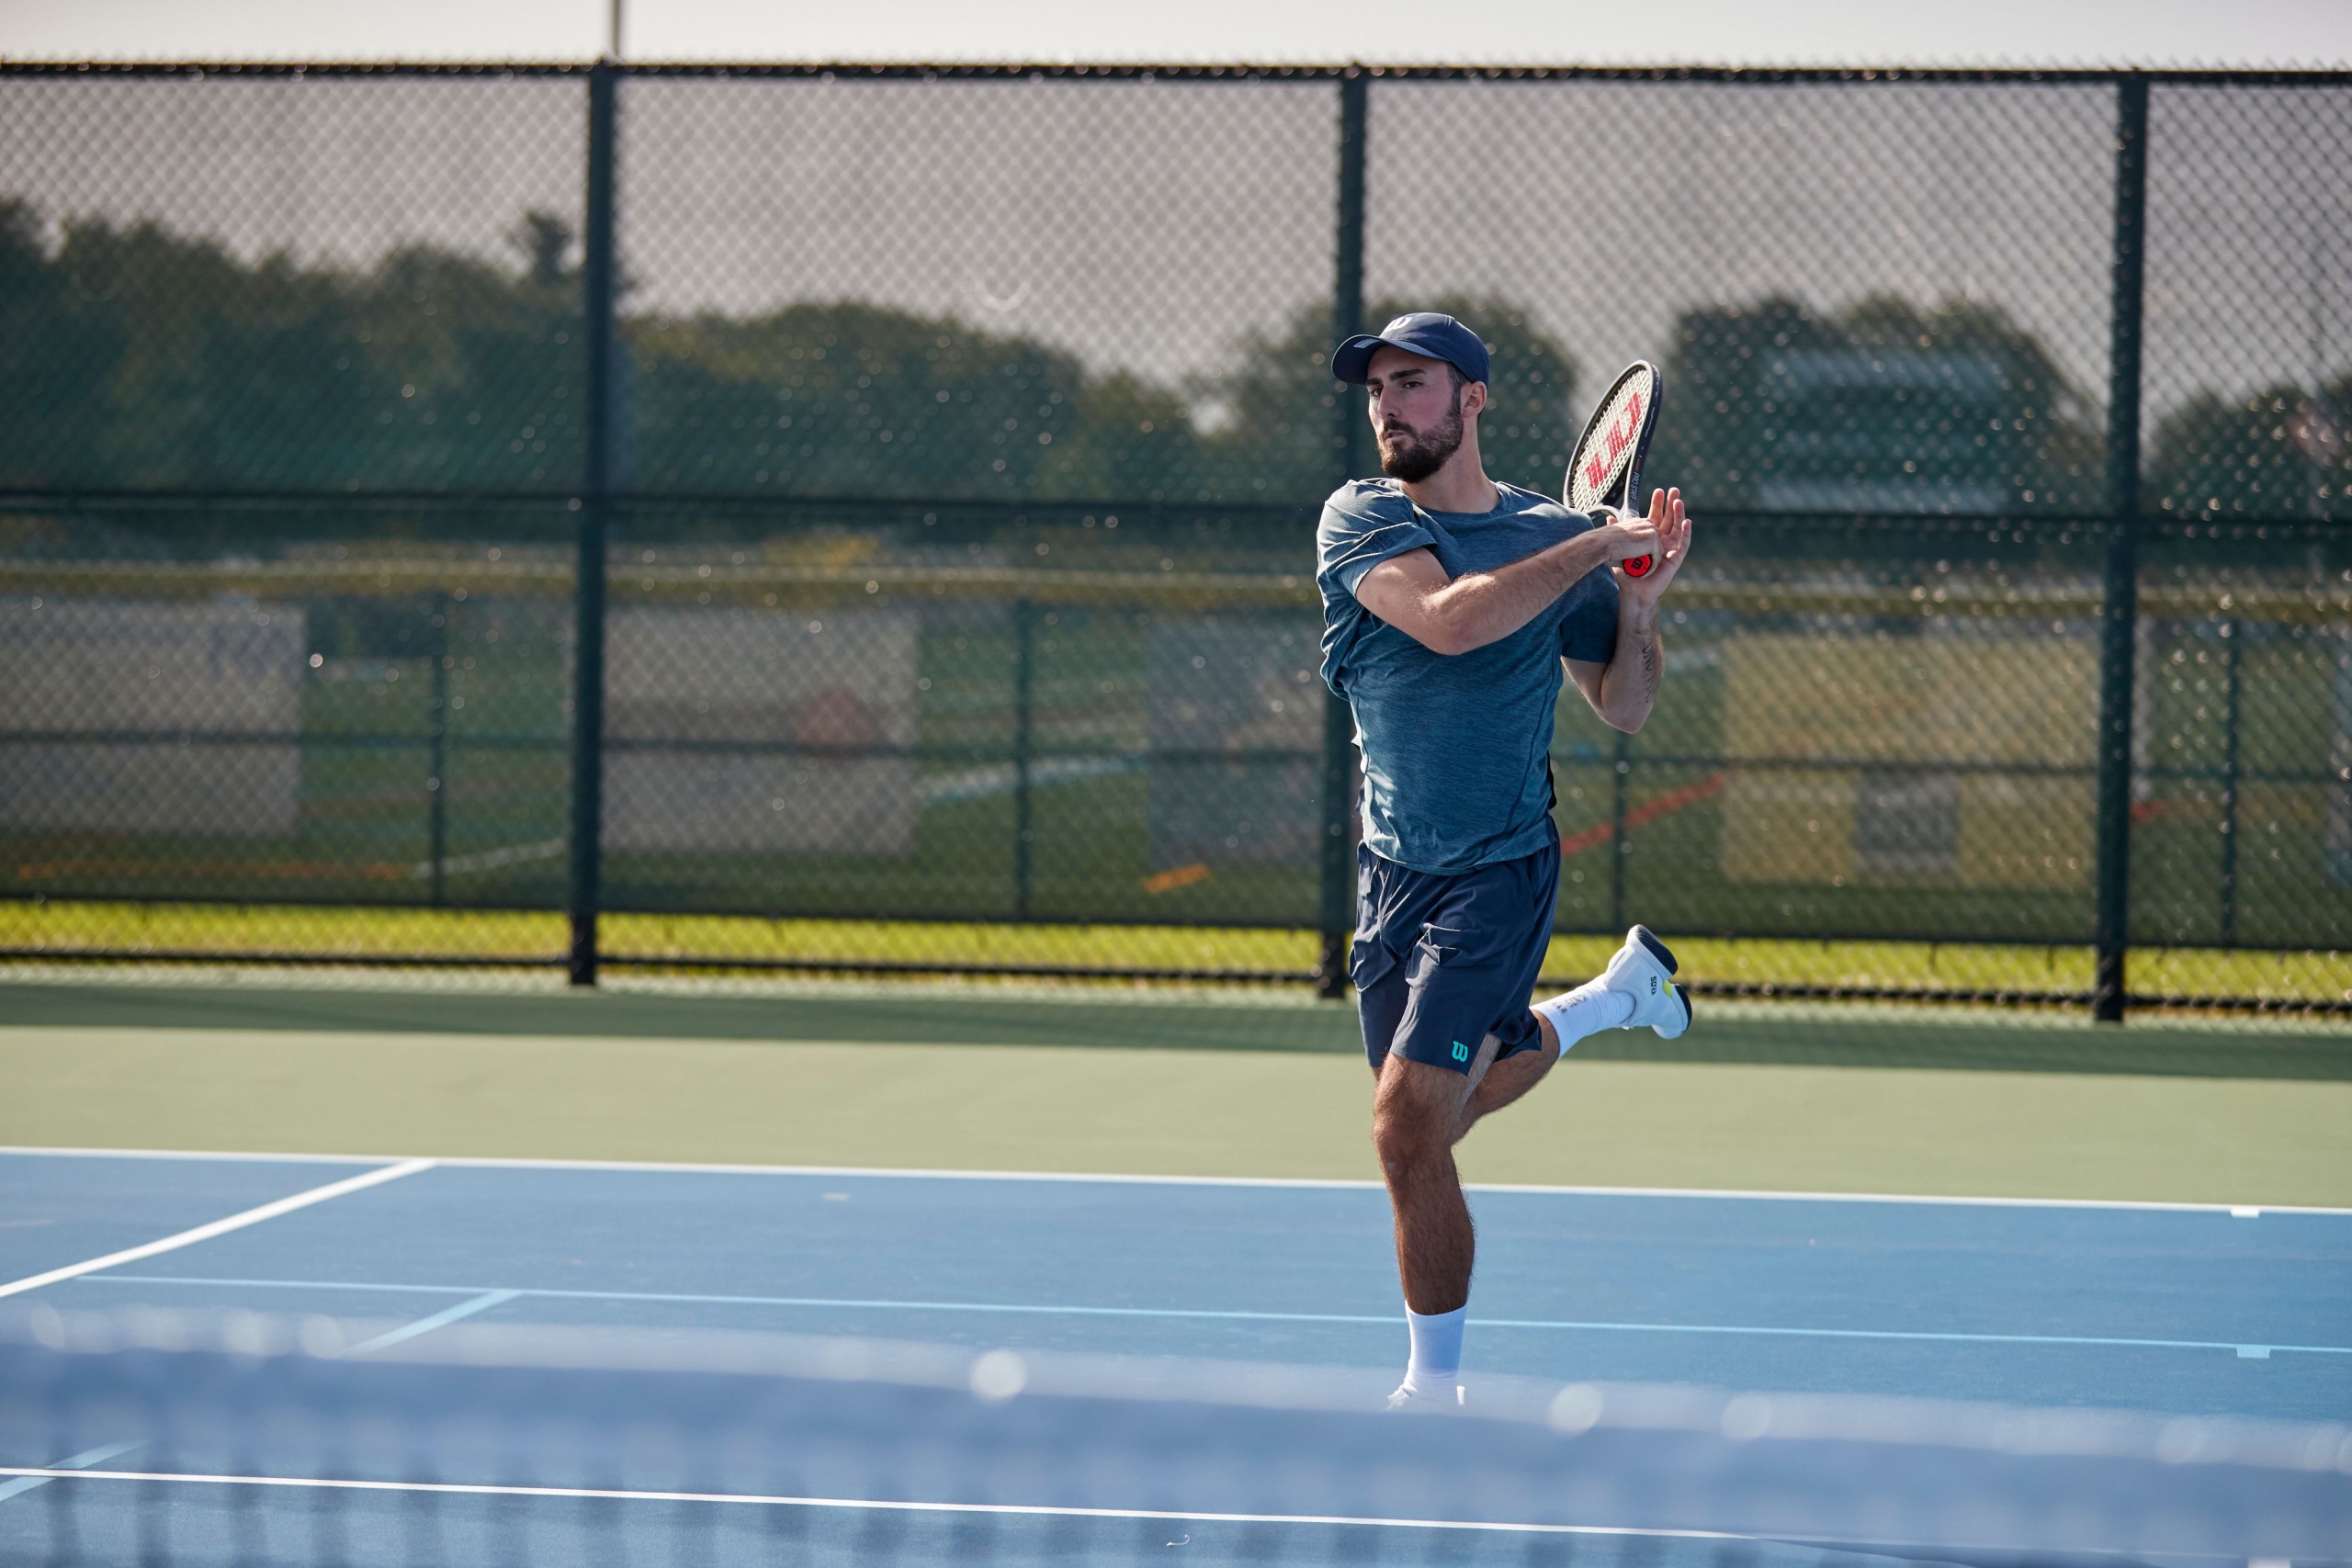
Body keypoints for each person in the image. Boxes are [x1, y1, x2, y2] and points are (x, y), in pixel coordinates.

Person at [1314, 311, 1694, 1409]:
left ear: (1471, 400)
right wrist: (1590, 543)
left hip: (1499, 870)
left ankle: (1435, 1397)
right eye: (1378, 388)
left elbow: (1623, 706)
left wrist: (1634, 601)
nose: (1388, 405)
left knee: (1403, 1128)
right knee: (1440, 1113)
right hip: (1392, 871)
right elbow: (1445, 621)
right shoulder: (1360, 517)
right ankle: (1607, 1004)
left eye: (1413, 384)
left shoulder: (1541, 531)